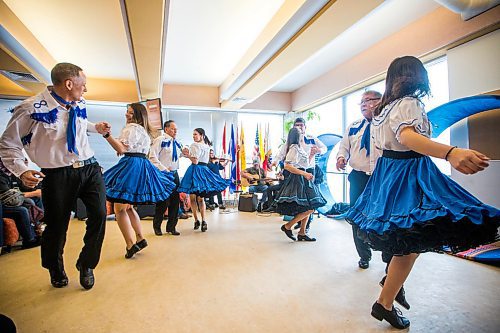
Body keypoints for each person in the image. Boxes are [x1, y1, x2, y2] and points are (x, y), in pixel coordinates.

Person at [346, 56, 499, 329]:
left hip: (389, 174)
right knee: (410, 241)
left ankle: (390, 287)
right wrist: (451, 152)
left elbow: (391, 143)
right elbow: (407, 137)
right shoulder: (409, 103)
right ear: (417, 76)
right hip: (409, 174)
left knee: (406, 236)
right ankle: (384, 302)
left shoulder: (383, 111)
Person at [0, 62, 110, 290]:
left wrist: (94, 127)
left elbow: (76, 124)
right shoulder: (30, 109)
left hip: (89, 168)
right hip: (57, 174)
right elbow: (8, 145)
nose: (86, 89)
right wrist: (22, 170)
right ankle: (55, 268)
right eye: (83, 84)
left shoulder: (79, 101)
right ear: (69, 84)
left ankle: (87, 264)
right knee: (57, 226)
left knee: (99, 215)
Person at [102, 103, 176, 258]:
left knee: (119, 209)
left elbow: (121, 149)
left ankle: (130, 245)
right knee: (128, 207)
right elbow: (130, 147)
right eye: (126, 112)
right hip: (141, 164)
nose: (126, 115)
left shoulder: (130, 128)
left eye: (129, 113)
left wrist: (106, 135)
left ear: (136, 115)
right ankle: (140, 238)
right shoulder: (143, 131)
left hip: (131, 166)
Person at [337, 90, 382, 269]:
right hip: (358, 178)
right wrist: (341, 157)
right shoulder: (354, 126)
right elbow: (344, 146)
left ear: (381, 101)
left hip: (382, 178)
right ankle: (364, 255)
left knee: (384, 216)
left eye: (369, 100)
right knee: (356, 217)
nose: (364, 104)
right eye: (361, 102)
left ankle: (389, 254)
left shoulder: (386, 124)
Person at [275, 117, 326, 232]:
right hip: (299, 175)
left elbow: (317, 153)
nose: (299, 127)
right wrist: (275, 162)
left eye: (300, 125)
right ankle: (290, 226)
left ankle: (303, 231)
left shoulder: (311, 139)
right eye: (296, 126)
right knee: (307, 204)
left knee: (309, 204)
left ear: (305, 127)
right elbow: (284, 159)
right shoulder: (293, 146)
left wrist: (315, 153)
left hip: (308, 172)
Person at [177, 128, 230, 232]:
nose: (193, 136)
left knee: (193, 198)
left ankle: (197, 220)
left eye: (195, 134)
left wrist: (187, 155)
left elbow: (195, 161)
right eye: (193, 134)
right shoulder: (207, 146)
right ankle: (203, 220)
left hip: (195, 170)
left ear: (201, 135)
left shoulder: (194, 145)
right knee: (200, 199)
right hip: (204, 170)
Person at [149, 120, 187, 236]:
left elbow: (178, 154)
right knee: (163, 202)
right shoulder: (160, 140)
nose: (175, 131)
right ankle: (157, 226)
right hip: (164, 174)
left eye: (176, 129)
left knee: (175, 202)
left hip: (174, 174)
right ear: (166, 129)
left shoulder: (175, 142)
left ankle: (171, 227)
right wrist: (164, 169)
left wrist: (185, 151)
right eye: (173, 129)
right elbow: (152, 157)